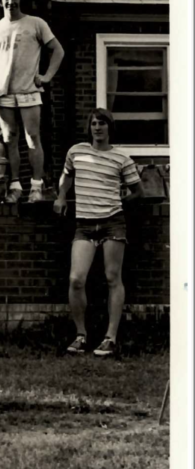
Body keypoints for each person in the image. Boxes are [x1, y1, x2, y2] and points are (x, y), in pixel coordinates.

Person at [55, 109, 143, 357]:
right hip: (84, 224)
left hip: (112, 223)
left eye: (102, 123)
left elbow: (138, 191)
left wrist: (119, 202)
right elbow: (66, 176)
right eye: (93, 123)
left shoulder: (121, 159)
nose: (97, 128)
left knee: (113, 277)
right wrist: (61, 197)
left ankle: (110, 338)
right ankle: (81, 335)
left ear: (109, 128)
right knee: (76, 279)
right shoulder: (77, 152)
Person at [0, 0, 65, 204]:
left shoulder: (36, 23)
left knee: (33, 137)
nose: (11, 1)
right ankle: (16, 186)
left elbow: (58, 50)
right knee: (9, 138)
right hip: (3, 93)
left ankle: (36, 186)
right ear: (0, 1)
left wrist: (46, 76)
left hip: (29, 90)